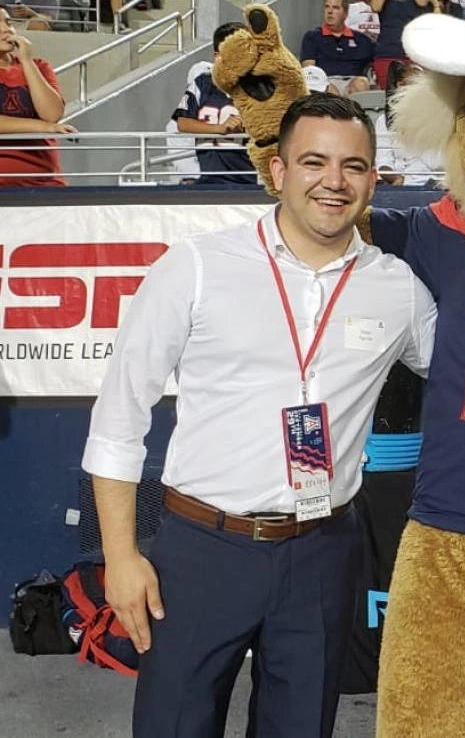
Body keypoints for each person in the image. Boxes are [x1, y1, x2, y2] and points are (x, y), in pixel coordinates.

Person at [83, 92, 435, 738]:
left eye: (353, 165)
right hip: (202, 547)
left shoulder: (398, 290)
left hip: (325, 548)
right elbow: (118, 421)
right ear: (277, 170)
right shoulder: (196, 266)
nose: (334, 181)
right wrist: (121, 555)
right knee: (174, 724)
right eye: (314, 162)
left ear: (373, 178)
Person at [172, 22, 257, 186]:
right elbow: (183, 123)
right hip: (208, 178)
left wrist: (247, 125)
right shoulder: (201, 83)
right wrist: (218, 129)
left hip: (246, 180)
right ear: (217, 56)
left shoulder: (257, 86)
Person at [0, 5, 73, 186]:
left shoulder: (39, 66)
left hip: (46, 180)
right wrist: (44, 127)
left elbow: (52, 114)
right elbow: (49, 123)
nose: (6, 29)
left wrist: (26, 61)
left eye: (8, 22)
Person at [370, 0, 430, 88]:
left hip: (413, 52)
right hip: (388, 50)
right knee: (390, 94)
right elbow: (375, 6)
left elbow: (422, 1)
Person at [300, 0, 374, 94]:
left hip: (351, 82)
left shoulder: (361, 39)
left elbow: (378, 58)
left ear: (345, 14)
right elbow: (309, 70)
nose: (330, 12)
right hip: (325, 83)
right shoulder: (312, 36)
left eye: (335, 8)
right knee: (329, 90)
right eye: (327, 7)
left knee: (361, 83)